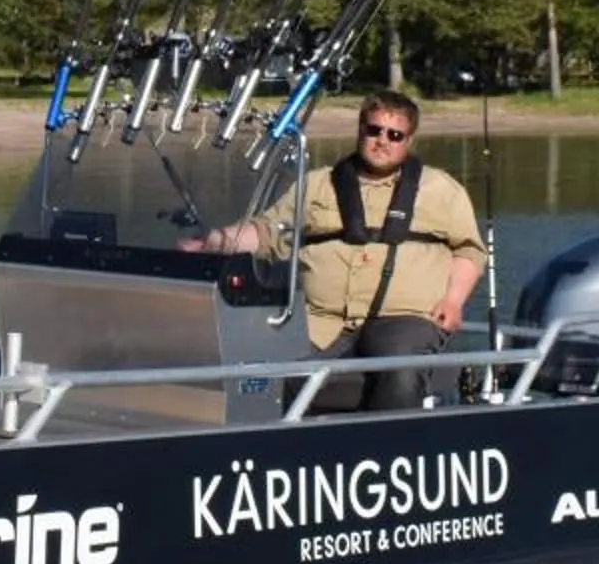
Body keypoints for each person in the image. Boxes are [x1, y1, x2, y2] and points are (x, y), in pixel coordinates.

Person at [186, 90, 485, 410]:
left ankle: (389, 439)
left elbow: (470, 252)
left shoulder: (441, 189)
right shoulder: (317, 184)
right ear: (360, 130)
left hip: (406, 319)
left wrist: (453, 301)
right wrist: (213, 241)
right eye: (374, 130)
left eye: (394, 135)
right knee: (263, 372)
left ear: (408, 140)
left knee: (400, 369)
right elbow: (266, 233)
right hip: (322, 321)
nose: (382, 141)